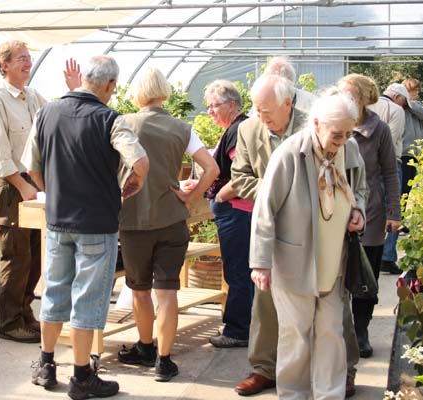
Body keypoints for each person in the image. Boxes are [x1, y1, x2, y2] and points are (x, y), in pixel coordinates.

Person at [22, 55, 150, 399]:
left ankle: (46, 365)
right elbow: (140, 161)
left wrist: (51, 187)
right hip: (97, 223)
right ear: (109, 85)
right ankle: (82, 376)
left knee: (55, 291)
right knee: (87, 299)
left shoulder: (46, 112)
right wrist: (131, 184)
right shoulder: (111, 119)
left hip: (57, 219)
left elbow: (31, 165)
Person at [250, 89, 365, 399]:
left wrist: (359, 212)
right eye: (336, 134)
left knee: (332, 334)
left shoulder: (349, 149)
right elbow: (264, 211)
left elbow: (361, 189)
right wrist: (260, 262)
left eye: (348, 133)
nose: (341, 141)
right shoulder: (289, 154)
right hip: (294, 264)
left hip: (334, 263)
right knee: (295, 337)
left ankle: (330, 394)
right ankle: (293, 395)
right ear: (316, 123)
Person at [116, 67, 219, 382]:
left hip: (132, 222)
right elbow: (211, 168)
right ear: (165, 92)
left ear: (138, 94)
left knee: (139, 290)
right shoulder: (182, 128)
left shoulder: (122, 124)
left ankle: (145, 347)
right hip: (172, 220)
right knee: (167, 291)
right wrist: (191, 198)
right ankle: (163, 360)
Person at [0, 40, 79, 343]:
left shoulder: (33, 97)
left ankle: (25, 314)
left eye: (29, 58)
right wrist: (23, 186)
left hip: (33, 185)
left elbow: (61, 119)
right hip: (12, 186)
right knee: (16, 256)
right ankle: (10, 324)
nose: (28, 63)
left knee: (36, 256)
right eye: (21, 59)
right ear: (4, 65)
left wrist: (74, 90)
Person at [231, 73, 306, 396]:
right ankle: (264, 368)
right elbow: (240, 177)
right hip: (269, 226)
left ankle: (334, 368)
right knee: (264, 298)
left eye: (266, 111)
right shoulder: (248, 129)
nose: (260, 117)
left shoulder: (312, 125)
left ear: (288, 104)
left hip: (311, 227)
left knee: (326, 298)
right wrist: (278, 193)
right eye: (256, 109)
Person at [338, 74, 401, 358]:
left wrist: (393, 212)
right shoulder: (332, 123)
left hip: (371, 212)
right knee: (336, 274)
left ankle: (361, 331)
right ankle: (341, 331)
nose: (343, 98)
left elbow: (390, 172)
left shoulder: (380, 130)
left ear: (363, 98)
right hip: (335, 210)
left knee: (366, 275)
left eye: (348, 94)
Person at [201, 80, 253, 348]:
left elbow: (242, 173)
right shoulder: (237, 127)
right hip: (239, 210)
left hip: (236, 210)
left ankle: (237, 330)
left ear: (232, 105)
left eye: (214, 106)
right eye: (208, 106)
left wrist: (221, 195)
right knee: (242, 268)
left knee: (238, 270)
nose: (210, 111)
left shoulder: (237, 130)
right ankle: (244, 325)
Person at [369, 83, 407, 275]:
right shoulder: (397, 110)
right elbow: (390, 142)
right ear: (398, 97)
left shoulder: (369, 106)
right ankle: (387, 256)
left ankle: (369, 254)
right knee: (391, 210)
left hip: (367, 165)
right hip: (390, 164)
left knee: (371, 209)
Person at [400, 78, 423, 200]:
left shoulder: (416, 107)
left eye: (418, 90)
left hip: (415, 153)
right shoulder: (398, 108)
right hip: (404, 153)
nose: (417, 93)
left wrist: (410, 104)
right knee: (402, 188)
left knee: (409, 189)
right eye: (414, 90)